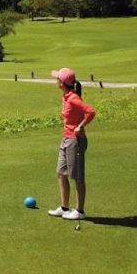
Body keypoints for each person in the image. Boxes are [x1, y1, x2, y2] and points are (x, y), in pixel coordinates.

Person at [47, 67, 96, 221]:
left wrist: (80, 126)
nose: (56, 80)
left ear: (62, 83)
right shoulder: (66, 96)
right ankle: (64, 208)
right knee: (61, 173)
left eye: (57, 78)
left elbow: (91, 112)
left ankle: (80, 211)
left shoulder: (73, 98)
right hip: (66, 139)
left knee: (77, 176)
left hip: (76, 141)